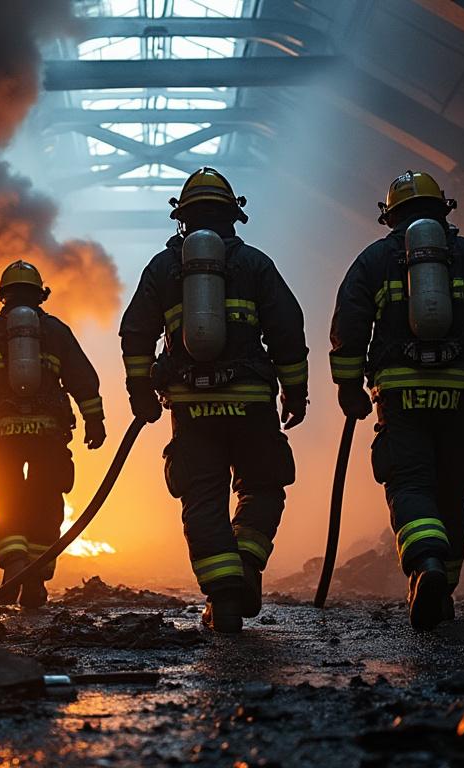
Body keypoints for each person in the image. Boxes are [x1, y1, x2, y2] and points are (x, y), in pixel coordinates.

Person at [329, 170, 464, 630]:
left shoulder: (374, 259)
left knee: (411, 483)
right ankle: (445, 589)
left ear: (390, 216)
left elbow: (349, 326)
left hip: (399, 395)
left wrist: (348, 387)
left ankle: (427, 566)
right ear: (443, 209)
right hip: (458, 393)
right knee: (453, 491)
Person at [119, 167, 309, 633]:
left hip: (191, 407)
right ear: (233, 217)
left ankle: (223, 598)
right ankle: (245, 561)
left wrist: (141, 392)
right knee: (262, 486)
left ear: (181, 219)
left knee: (202, 497)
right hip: (251, 403)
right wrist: (296, 390)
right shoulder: (256, 264)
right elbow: (288, 329)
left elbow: (136, 333)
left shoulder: (163, 269)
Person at [0, 261, 105, 608]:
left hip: (2, 435)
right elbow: (83, 379)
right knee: (46, 500)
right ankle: (34, 577)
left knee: (6, 498)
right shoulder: (56, 332)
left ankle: (15, 563)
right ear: (41, 295)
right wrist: (95, 421)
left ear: (0, 296)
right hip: (49, 434)